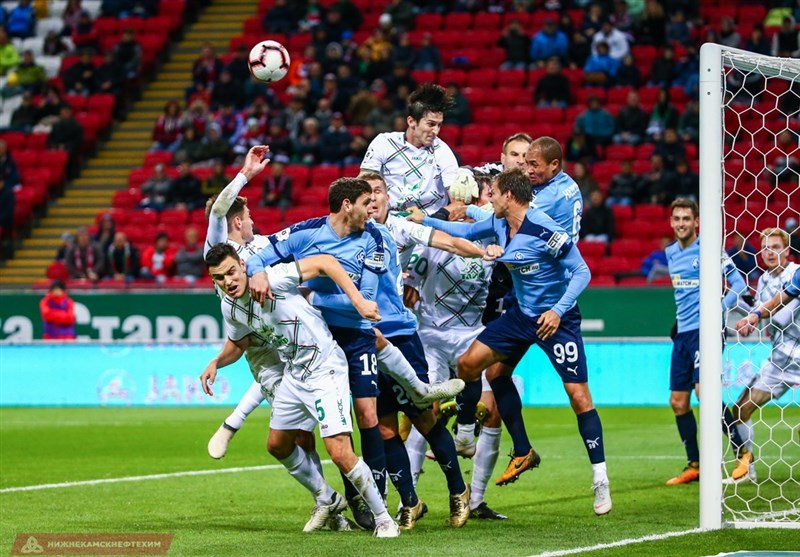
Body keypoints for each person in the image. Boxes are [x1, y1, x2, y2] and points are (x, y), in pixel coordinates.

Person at [246, 176, 461, 529]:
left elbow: (365, 301)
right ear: (347, 205)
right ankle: (355, 499)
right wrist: (257, 273)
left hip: (358, 335)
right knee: (336, 424)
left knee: (367, 415)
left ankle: (380, 496)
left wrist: (314, 296)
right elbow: (260, 255)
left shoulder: (375, 239)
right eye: (365, 202)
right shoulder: (306, 232)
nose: (371, 209)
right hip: (319, 339)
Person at [408, 168, 611, 516]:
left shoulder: (546, 230)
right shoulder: (500, 223)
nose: (490, 198)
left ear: (510, 196)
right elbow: (466, 230)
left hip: (556, 321)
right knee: (472, 365)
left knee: (579, 397)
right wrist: (424, 221)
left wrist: (558, 311)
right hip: (520, 318)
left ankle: (600, 479)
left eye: (495, 193)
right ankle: (473, 435)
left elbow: (582, 272)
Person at [202, 243, 400, 537]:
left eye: (231, 272)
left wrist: (359, 301)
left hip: (324, 367)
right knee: (278, 445)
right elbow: (239, 343)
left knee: (339, 452)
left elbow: (325, 262)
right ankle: (327, 497)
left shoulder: (274, 278)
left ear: (242, 265)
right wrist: (217, 361)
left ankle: (384, 519)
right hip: (294, 373)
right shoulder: (229, 306)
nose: (227, 281)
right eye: (219, 278)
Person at [363, 171, 492, 529]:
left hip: (401, 336)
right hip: (365, 340)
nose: (372, 200)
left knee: (423, 417)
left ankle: (458, 490)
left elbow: (447, 242)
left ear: (388, 198)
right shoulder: (345, 238)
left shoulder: (400, 228)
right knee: (384, 428)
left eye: (378, 192)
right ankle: (410, 502)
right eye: (365, 195)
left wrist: (483, 252)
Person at [403, 171, 509, 521]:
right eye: (455, 201)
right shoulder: (431, 241)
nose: (462, 208)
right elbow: (410, 289)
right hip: (431, 336)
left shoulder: (493, 239)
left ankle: (476, 498)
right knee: (425, 410)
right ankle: (409, 497)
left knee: (493, 407)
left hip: (471, 333)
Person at [664, 198, 750, 486]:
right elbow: (683, 294)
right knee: (678, 402)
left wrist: (717, 308)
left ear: (696, 221)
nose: (681, 224)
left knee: (705, 392)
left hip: (707, 331)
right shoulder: (670, 253)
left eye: (686, 219)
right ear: (671, 222)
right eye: (677, 219)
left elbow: (739, 284)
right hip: (683, 334)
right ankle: (695, 464)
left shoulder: (710, 249)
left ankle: (743, 453)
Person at [727, 229, 799, 483]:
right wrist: (748, 319)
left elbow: (779, 311)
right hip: (780, 361)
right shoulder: (764, 280)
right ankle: (747, 470)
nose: (770, 252)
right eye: (766, 247)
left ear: (787, 251)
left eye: (776, 247)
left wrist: (756, 315)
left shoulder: (796, 274)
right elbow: (761, 314)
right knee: (740, 410)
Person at [360, 83, 460, 213]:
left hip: (430, 220)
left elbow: (457, 202)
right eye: (431, 124)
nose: (436, 131)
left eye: (439, 125)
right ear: (411, 121)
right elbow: (364, 185)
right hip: (388, 219)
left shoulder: (443, 151)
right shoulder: (384, 143)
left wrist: (436, 218)